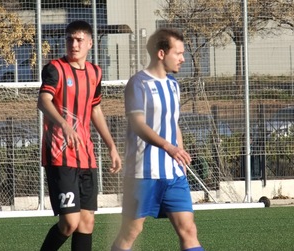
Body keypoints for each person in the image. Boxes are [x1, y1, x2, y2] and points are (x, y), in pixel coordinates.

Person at [111, 28, 204, 251]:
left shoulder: (173, 85)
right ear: (161, 53)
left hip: (173, 174)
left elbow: (173, 123)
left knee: (189, 230)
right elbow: (138, 124)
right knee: (131, 232)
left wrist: (179, 153)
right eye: (178, 53)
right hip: (143, 173)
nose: (183, 59)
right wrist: (168, 147)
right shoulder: (138, 83)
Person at [38, 20, 122, 251]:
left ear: (90, 43)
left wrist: (111, 146)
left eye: (79, 40)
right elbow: (43, 101)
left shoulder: (95, 72)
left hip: (86, 156)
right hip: (60, 155)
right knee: (70, 223)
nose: (73, 44)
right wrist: (64, 125)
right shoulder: (54, 69)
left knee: (87, 222)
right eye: (69, 39)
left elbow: (95, 109)